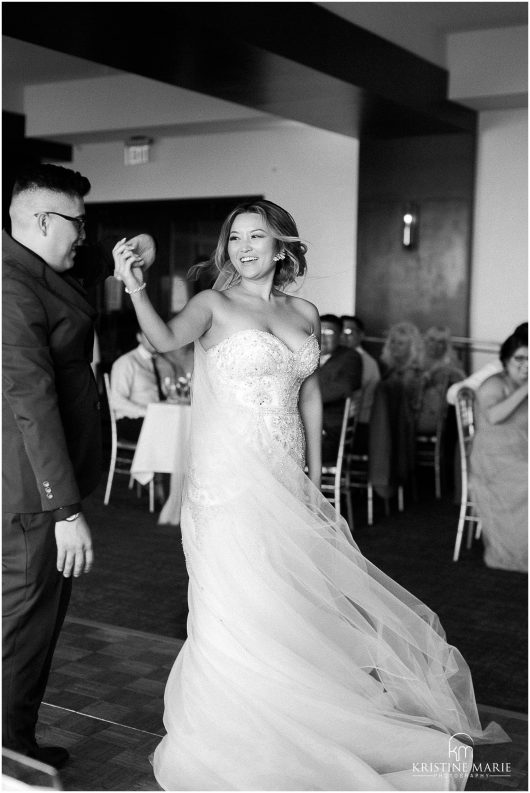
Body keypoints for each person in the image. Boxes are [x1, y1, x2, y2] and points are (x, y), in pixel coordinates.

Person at [113, 198, 505, 791]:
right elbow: (165, 340)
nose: (244, 247)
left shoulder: (303, 310)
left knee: (292, 599)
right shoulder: (212, 303)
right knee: (240, 602)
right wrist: (133, 286)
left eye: (257, 236)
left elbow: (312, 396)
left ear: (282, 246)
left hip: (285, 475)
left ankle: (305, 708)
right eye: (235, 238)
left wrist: (316, 484)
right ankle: (243, 727)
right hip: (229, 483)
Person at [2, 165, 97, 769]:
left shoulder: (27, 269)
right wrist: (64, 507)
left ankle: (17, 745)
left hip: (30, 483)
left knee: (29, 624)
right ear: (42, 221)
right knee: (23, 629)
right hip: (32, 493)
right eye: (77, 224)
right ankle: (9, 760)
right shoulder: (10, 284)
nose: (82, 236)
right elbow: (30, 399)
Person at [470, 329, 528, 572]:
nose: (526, 366)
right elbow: (494, 416)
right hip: (493, 462)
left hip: (520, 455)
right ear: (506, 359)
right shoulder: (494, 384)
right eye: (520, 359)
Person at [110, 331, 179, 442]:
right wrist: (148, 412)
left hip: (160, 419)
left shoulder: (165, 364)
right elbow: (116, 401)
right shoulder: (126, 362)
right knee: (169, 433)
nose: (154, 338)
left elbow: (172, 395)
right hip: (133, 420)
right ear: (139, 337)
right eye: (148, 334)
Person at [319, 314, 363, 462]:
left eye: (329, 333)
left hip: (330, 432)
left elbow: (344, 387)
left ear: (340, 336)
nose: (323, 337)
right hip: (310, 427)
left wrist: (304, 398)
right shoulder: (309, 356)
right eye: (319, 331)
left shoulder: (350, 357)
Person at [340, 314, 380, 449]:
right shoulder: (342, 358)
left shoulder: (364, 361)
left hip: (357, 426)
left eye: (349, 332)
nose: (343, 337)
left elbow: (350, 394)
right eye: (341, 332)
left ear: (361, 335)